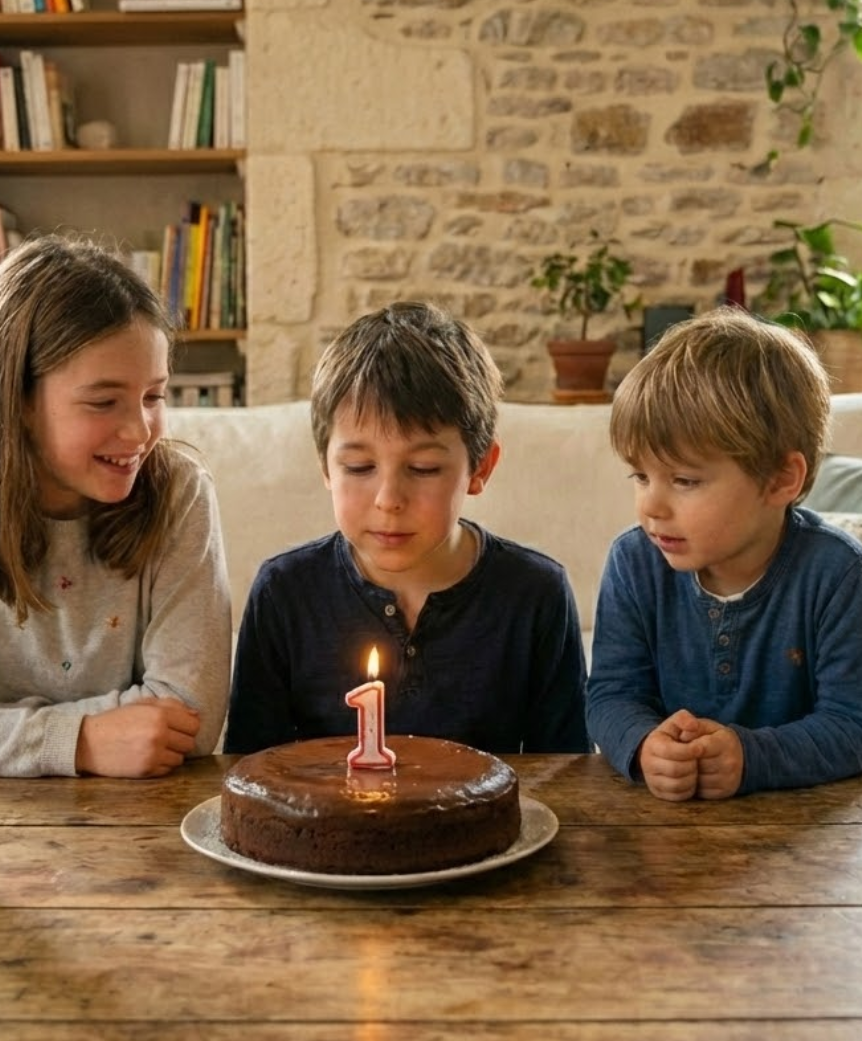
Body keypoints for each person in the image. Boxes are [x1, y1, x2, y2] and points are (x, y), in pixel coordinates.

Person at [0, 235, 232, 778]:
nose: (139, 430)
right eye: (103, 401)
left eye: (154, 397)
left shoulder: (181, 492)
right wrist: (82, 740)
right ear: (16, 399)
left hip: (137, 826)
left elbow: (190, 721)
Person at [224, 300, 589, 754]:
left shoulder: (537, 595)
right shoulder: (283, 593)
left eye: (423, 467)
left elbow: (565, 772)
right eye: (359, 467)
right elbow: (251, 771)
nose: (388, 500)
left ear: (480, 468)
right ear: (325, 467)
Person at [587, 306, 862, 800]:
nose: (651, 506)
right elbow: (611, 696)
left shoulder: (837, 573)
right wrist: (644, 745)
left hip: (806, 842)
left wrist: (749, 758)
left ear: (781, 479)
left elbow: (859, 727)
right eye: (641, 476)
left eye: (684, 480)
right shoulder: (634, 562)